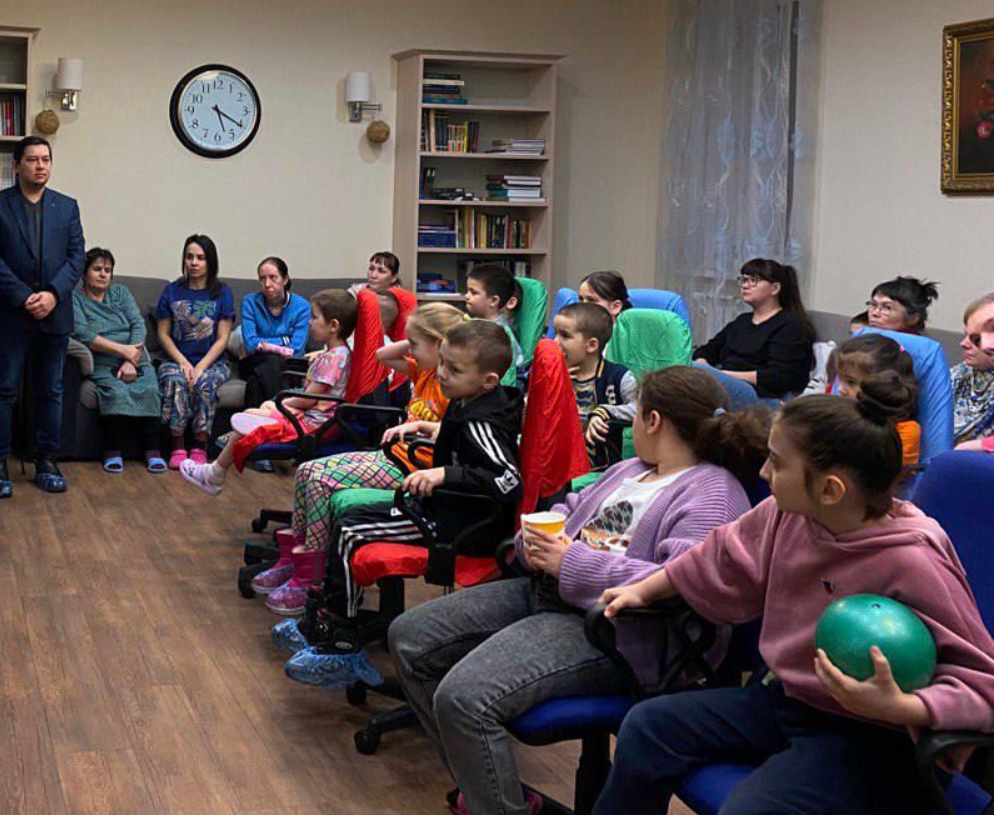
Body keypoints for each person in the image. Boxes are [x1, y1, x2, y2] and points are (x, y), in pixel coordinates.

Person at [593, 380, 994, 815]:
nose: (764, 473)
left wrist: (902, 706)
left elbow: (982, 683)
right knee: (648, 726)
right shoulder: (786, 514)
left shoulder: (912, 560)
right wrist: (644, 588)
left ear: (830, 490)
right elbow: (719, 555)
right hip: (786, 699)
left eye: (777, 462)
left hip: (868, 733)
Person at [387, 366, 769, 815]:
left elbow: (680, 581)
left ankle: (494, 802)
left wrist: (570, 561)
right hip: (552, 592)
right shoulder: (631, 469)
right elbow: (568, 513)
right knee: (409, 638)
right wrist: (537, 542)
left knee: (464, 698)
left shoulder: (712, 492)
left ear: (653, 420)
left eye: (637, 413)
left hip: (616, 629)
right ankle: (491, 792)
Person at [280, 319, 523, 687]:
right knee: (349, 520)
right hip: (447, 509)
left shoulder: (482, 422)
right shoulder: (468, 401)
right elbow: (467, 446)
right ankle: (329, 623)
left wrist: (445, 475)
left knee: (350, 531)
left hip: (462, 524)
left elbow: (509, 480)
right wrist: (429, 430)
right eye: (442, 362)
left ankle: (341, 642)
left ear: (488, 381)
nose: (442, 373)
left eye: (454, 369)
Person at [252, 303, 466, 610]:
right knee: (307, 470)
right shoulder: (423, 370)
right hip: (392, 456)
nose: (411, 351)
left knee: (321, 481)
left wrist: (438, 343)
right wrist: (415, 340)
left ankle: (312, 577)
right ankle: (294, 558)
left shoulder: (449, 384)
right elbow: (382, 356)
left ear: (440, 345)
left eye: (416, 345)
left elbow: (454, 430)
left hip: (411, 467)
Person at [0, 136, 86, 499]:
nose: (40, 166)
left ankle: (46, 461)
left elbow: (77, 258)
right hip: (11, 313)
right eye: (33, 160)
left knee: (51, 390)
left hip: (55, 314)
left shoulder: (67, 206)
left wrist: (53, 294)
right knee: (3, 389)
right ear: (17, 165)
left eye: (46, 159)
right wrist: (24, 296)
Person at [179, 288, 357, 496]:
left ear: (334, 325)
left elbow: (308, 400)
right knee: (264, 408)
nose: (309, 322)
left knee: (250, 416)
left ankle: (214, 474)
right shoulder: (337, 353)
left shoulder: (333, 359)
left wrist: (285, 404)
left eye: (315, 317)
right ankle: (216, 471)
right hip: (314, 418)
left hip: (313, 426)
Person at [71, 247, 165, 474]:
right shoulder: (75, 298)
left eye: (108, 270)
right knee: (116, 392)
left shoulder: (121, 293)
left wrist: (131, 360)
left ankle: (153, 451)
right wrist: (123, 351)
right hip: (103, 360)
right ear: (84, 273)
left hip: (136, 356)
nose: (103, 274)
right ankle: (112, 451)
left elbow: (138, 325)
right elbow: (83, 334)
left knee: (151, 389)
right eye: (97, 269)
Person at [155, 234, 236, 469]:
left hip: (213, 363)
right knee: (176, 380)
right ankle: (177, 446)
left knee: (204, 383)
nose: (194, 262)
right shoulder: (171, 291)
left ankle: (200, 446)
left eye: (200, 258)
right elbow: (163, 334)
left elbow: (222, 339)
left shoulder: (222, 292)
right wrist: (183, 363)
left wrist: (200, 367)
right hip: (174, 360)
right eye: (189, 257)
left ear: (210, 261)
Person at [693, 258, 815, 407]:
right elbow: (707, 350)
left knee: (693, 374)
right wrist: (703, 363)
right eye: (743, 280)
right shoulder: (742, 321)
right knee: (682, 369)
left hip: (760, 395)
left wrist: (720, 375)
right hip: (728, 383)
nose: (745, 285)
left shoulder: (790, 326)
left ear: (775, 288)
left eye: (753, 280)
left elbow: (778, 377)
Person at [552, 302, 637, 470]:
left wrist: (604, 412)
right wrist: (550, 388)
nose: (555, 342)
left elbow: (641, 410)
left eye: (565, 336)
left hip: (598, 470)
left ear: (592, 345)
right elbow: (528, 418)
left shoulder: (618, 376)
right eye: (555, 334)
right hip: (556, 464)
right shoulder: (552, 374)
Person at [826, 334, 921, 466]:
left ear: (885, 385)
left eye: (851, 382)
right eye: (839, 379)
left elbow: (887, 474)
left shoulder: (904, 432)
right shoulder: (837, 414)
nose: (840, 389)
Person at [239, 256, 312, 409]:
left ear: (285, 279)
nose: (267, 284)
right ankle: (282, 412)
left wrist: (264, 344)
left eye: (273, 278)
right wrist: (285, 341)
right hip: (253, 361)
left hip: (289, 366)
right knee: (271, 362)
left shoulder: (302, 306)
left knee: (255, 382)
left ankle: (253, 421)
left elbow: (296, 350)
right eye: (262, 279)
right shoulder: (249, 302)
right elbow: (250, 346)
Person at [464, 263, 525, 378]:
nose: (467, 296)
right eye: (467, 291)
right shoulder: (475, 323)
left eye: (473, 292)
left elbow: (509, 376)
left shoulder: (501, 334)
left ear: (493, 300)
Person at [954, 292, 994, 449]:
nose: (963, 344)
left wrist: (978, 446)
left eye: (976, 339)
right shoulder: (961, 372)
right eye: (966, 335)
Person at [867, 275, 939, 334]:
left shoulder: (920, 346)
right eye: (873, 304)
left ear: (913, 318)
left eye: (887, 308)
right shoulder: (865, 335)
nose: (875, 313)